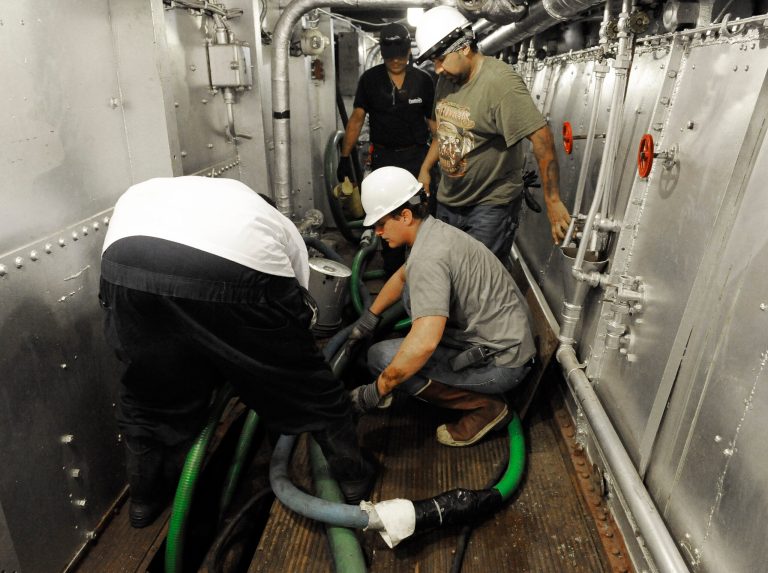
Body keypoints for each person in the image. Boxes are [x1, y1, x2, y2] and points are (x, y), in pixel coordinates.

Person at [99, 176, 373, 528]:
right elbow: (295, 317)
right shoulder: (274, 223)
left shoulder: (184, 194)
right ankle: (354, 479)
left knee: (147, 397)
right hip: (234, 268)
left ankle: (143, 503)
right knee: (310, 387)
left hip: (125, 266)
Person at [348, 167, 536, 447]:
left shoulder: (429, 257)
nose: (377, 232)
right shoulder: (431, 233)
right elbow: (402, 276)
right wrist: (370, 316)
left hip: (502, 363)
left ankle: (486, 407)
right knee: (392, 357)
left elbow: (423, 344)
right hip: (500, 342)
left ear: (406, 216)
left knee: (384, 359)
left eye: (381, 223)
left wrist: (376, 390)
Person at [413, 6, 571, 260]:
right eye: (434, 61)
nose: (438, 68)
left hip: (488, 207)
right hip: (449, 200)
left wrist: (552, 199)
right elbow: (445, 132)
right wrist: (425, 168)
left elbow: (541, 138)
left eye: (440, 58)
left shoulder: (501, 83)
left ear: (464, 46)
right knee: (450, 273)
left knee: (480, 281)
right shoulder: (446, 81)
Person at [337, 22, 435, 276]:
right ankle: (392, 269)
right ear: (382, 53)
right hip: (384, 158)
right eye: (390, 57)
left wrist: (436, 164)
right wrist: (345, 157)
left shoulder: (423, 80)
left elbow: (436, 128)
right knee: (388, 214)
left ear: (409, 52)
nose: (395, 61)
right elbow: (357, 119)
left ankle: (422, 269)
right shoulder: (370, 80)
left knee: (418, 214)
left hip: (416, 157)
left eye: (400, 56)